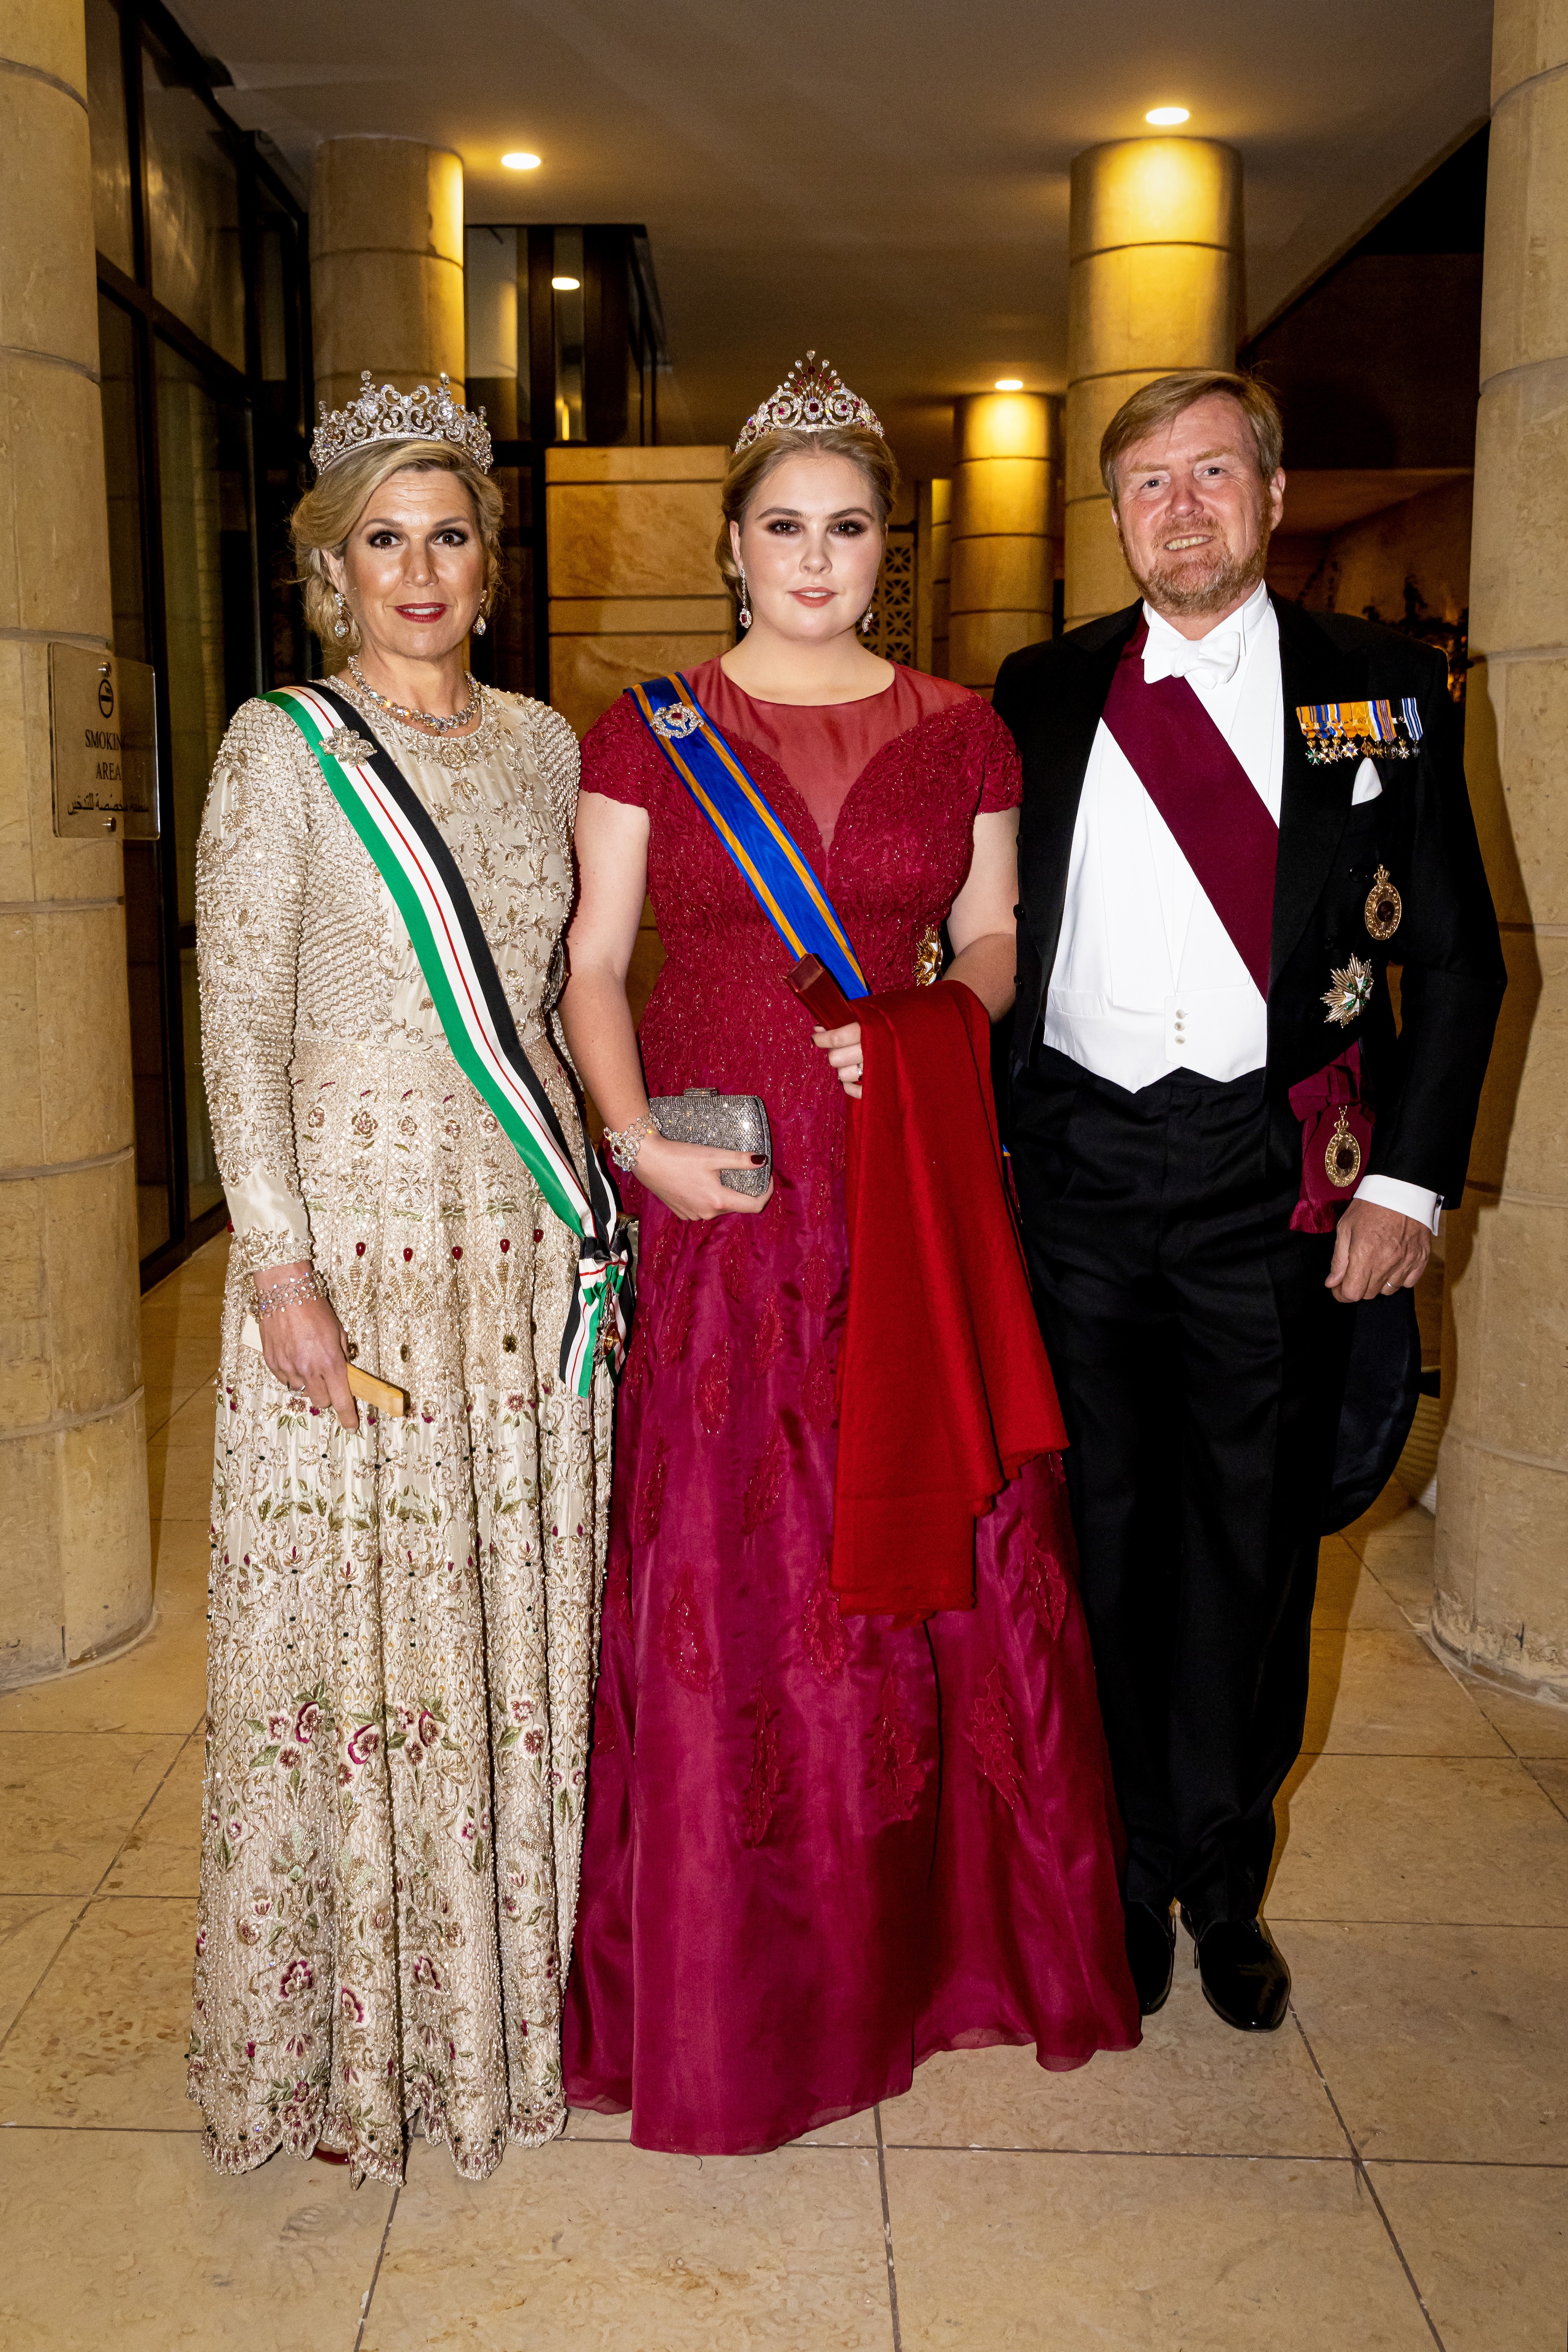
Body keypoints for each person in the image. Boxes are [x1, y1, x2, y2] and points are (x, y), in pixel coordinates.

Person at [558, 354, 1138, 2156]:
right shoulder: (645, 730)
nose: (816, 558)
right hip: (725, 1194)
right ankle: (742, 1977)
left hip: (903, 1180)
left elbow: (994, 938)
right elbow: (593, 968)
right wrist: (640, 1145)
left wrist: (931, 1029)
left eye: (851, 528)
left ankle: (922, 1951)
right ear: (734, 546)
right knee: (737, 1564)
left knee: (927, 1547)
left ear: (891, 549)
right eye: (785, 527)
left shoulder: (964, 730)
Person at [994, 370, 1505, 2032]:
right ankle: (1123, 1871)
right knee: (1103, 1537)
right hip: (1077, 1175)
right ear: (1114, 517)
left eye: (1213, 472)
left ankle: (1223, 1878)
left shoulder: (1380, 687)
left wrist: (1408, 1183)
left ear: (1274, 496)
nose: (1183, 507)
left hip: (1268, 1179)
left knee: (1252, 1543)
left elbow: (1457, 958)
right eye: (1148, 483)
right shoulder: (1042, 688)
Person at [189, 374, 619, 2182]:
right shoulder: (278, 747)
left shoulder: (547, 748)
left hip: (517, 1236)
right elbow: (240, 1023)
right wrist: (281, 1273)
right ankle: (353, 2041)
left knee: (504, 1620)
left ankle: (504, 2017)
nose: (421, 569)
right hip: (355, 1250)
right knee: (354, 1633)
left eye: (449, 535)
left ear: (488, 563)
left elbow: (570, 993)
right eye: (385, 539)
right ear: (333, 569)